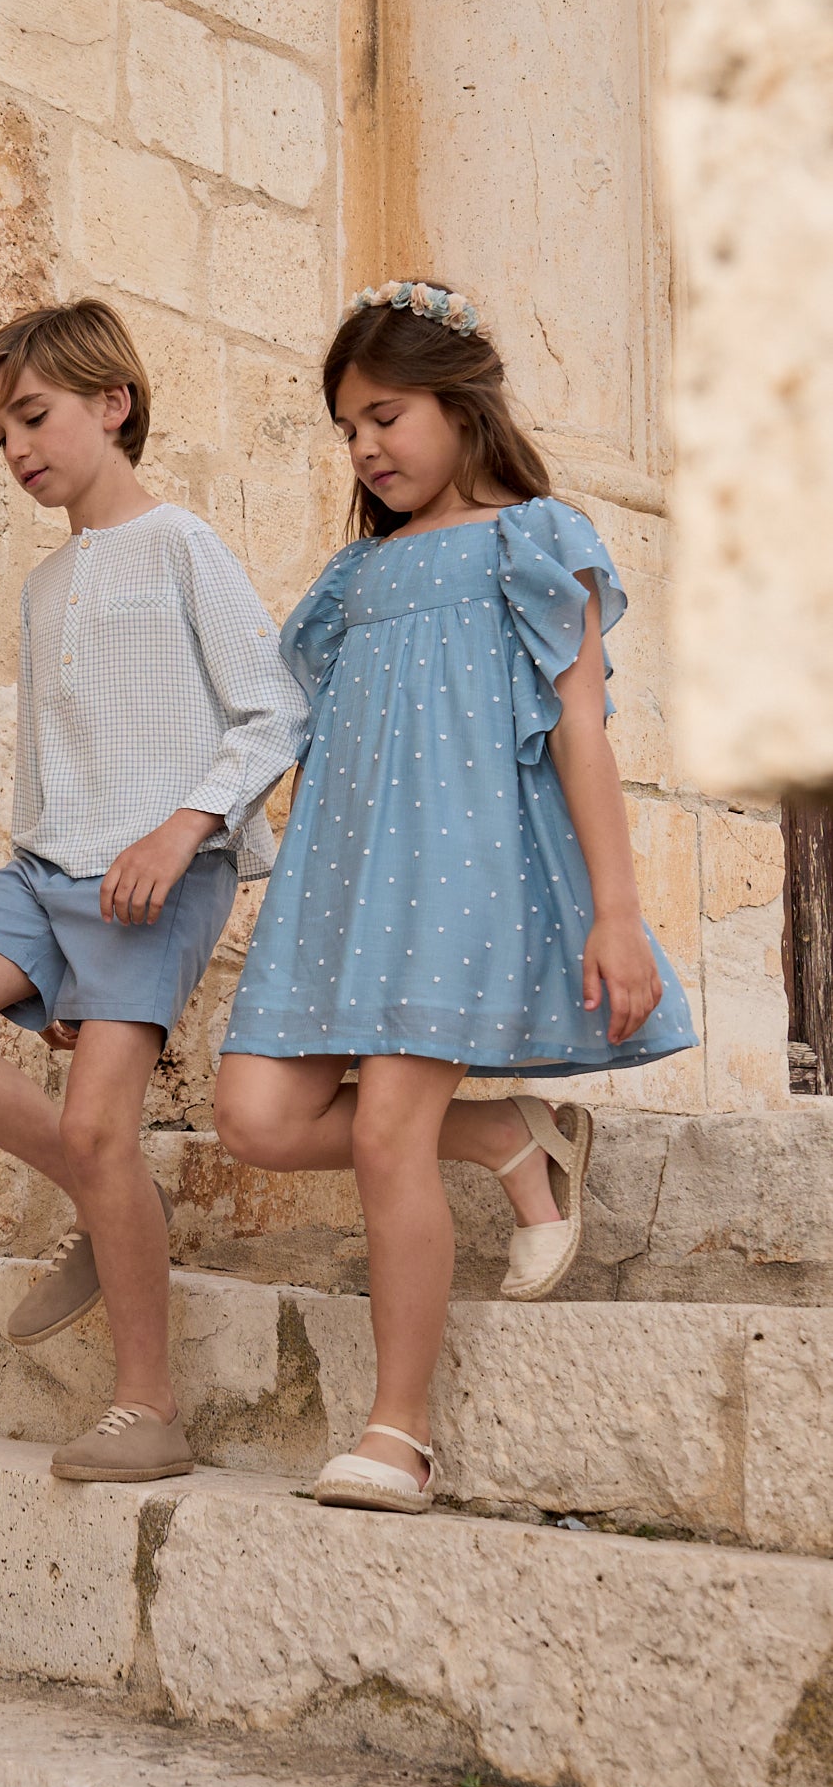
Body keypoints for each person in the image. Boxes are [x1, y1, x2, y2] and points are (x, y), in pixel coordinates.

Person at [213, 279, 697, 1515]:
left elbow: (581, 732)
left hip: (461, 874)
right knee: (257, 1119)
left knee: (382, 1130)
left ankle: (400, 1431)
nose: (367, 448)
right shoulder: (350, 581)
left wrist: (617, 908)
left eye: (386, 415)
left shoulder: (536, 542)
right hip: (347, 883)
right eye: (349, 430)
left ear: (461, 402)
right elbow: (323, 741)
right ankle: (504, 1137)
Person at [0, 299, 307, 1483]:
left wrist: (183, 826)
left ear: (112, 405)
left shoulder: (182, 545)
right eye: (0, 431)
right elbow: (39, 761)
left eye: (35, 416)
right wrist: (38, 957)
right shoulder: (44, 587)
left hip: (155, 879)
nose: (16, 448)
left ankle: (148, 1407)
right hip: (46, 869)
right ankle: (99, 1201)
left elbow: (278, 709)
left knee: (108, 1124)